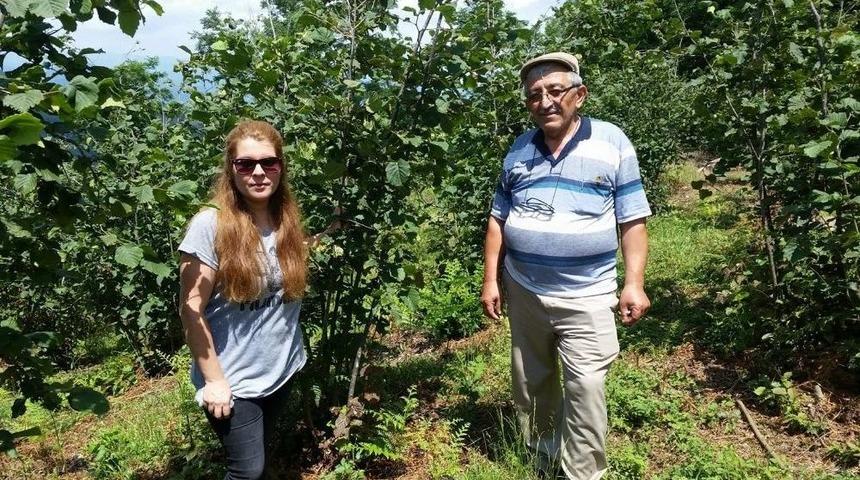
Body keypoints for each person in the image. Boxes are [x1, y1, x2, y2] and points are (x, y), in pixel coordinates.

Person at [480, 52, 652, 480]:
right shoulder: (520, 149)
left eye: (555, 90)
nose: (545, 101)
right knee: (532, 381)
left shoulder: (611, 142)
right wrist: (491, 279)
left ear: (580, 94)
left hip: (588, 294)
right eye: (535, 95)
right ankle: (542, 455)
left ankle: (583, 473)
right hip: (524, 290)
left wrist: (634, 283)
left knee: (586, 388)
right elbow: (498, 218)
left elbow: (632, 218)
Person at [178, 120, 334, 480]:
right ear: (230, 169)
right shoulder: (210, 225)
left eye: (269, 162)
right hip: (234, 382)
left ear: (281, 166)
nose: (259, 172)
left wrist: (330, 233)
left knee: (260, 457)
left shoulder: (285, 219)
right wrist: (214, 381)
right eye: (246, 164)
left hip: (280, 370)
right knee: (247, 471)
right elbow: (190, 309)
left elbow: (288, 257)